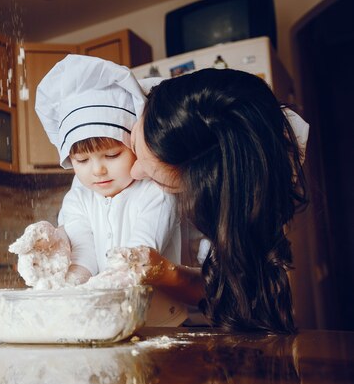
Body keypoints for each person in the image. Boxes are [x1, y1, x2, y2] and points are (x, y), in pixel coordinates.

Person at [128, 68, 309, 333]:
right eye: (133, 145)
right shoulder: (158, 103)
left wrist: (165, 273)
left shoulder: (242, 189)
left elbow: (235, 294)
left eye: (159, 181)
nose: (134, 173)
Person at [32, 54, 187, 327]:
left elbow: (141, 254)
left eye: (112, 155)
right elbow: (83, 250)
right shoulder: (78, 196)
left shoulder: (156, 191)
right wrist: (71, 285)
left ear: (136, 147)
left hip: (160, 322)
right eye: (82, 161)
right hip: (106, 320)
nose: (97, 170)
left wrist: (97, 290)